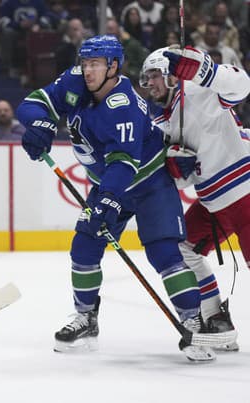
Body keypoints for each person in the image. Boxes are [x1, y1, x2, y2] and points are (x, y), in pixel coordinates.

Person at [16, 35, 220, 361]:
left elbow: (123, 164)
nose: (87, 71)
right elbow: (32, 103)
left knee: (164, 253)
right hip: (109, 181)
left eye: (95, 64)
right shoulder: (74, 82)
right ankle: (86, 318)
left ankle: (192, 321)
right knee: (84, 245)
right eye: (85, 63)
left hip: (149, 182)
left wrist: (106, 202)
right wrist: (38, 124)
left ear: (113, 66)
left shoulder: (122, 105)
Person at [140, 45, 250, 350]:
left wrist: (206, 70)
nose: (150, 84)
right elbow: (186, 177)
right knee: (180, 248)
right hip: (213, 203)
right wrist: (177, 169)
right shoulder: (163, 122)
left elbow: (243, 85)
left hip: (245, 194)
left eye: (154, 75)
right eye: (146, 78)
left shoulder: (200, 92)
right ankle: (215, 319)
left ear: (171, 73)